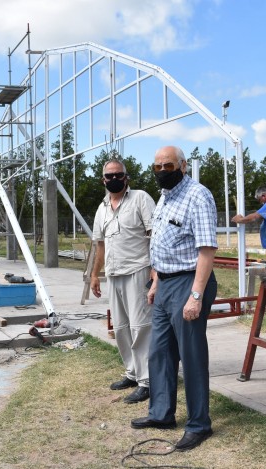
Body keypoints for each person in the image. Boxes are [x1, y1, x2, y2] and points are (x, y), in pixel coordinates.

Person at [130, 146, 218, 452]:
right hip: (164, 284)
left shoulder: (197, 195)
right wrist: (155, 282)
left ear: (182, 165)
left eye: (168, 165)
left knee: (191, 356)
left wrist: (195, 296)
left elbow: (206, 250)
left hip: (188, 282)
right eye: (157, 167)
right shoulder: (165, 198)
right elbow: (159, 244)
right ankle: (161, 414)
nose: (162, 171)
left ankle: (198, 424)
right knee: (160, 353)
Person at [90, 159, 156, 404]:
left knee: (141, 327)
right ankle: (132, 372)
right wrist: (95, 275)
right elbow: (100, 244)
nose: (114, 179)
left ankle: (147, 381)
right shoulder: (102, 207)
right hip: (113, 274)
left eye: (118, 174)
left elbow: (154, 235)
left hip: (138, 270)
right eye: (109, 175)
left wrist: (155, 271)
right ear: (103, 179)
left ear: (126, 177)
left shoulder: (140, 199)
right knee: (120, 328)